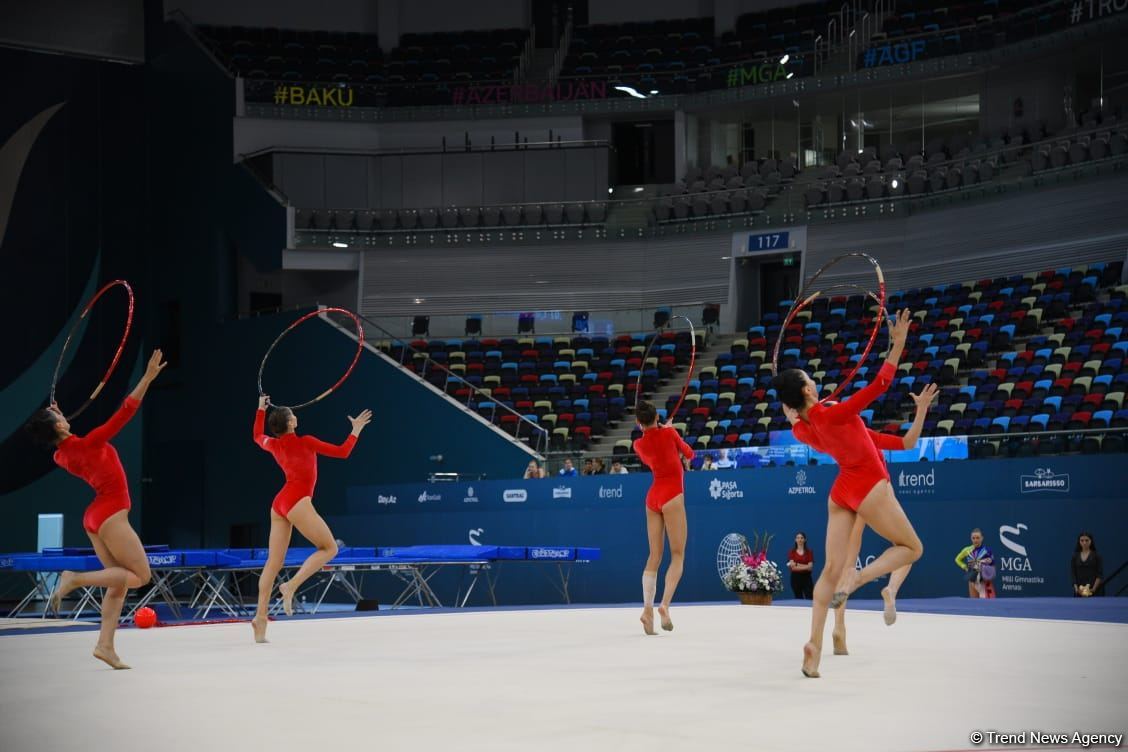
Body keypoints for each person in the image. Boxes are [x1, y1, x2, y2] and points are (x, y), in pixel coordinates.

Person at [776, 309, 924, 678]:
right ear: (808, 390)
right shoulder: (830, 414)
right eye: (810, 380)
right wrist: (898, 344)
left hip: (842, 490)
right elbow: (878, 386)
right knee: (912, 549)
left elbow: (901, 442)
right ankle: (859, 579)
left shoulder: (805, 430)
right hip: (869, 484)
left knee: (828, 570)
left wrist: (794, 408)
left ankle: (814, 643)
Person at [26, 350, 168, 669]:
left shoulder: (60, 456)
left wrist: (57, 421)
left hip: (95, 517)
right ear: (60, 428)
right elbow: (126, 411)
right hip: (111, 511)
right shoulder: (89, 443)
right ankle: (75, 578)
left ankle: (105, 645)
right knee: (140, 576)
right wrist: (146, 377)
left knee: (117, 582)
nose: (63, 417)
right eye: (60, 419)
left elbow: (63, 439)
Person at [251, 395, 372, 643]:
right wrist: (356, 430)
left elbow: (256, 436)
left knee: (273, 563)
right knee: (329, 548)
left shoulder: (273, 444)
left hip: (279, 503)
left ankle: (260, 618)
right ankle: (291, 585)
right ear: (291, 424)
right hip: (297, 499)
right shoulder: (306, 442)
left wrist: (260, 410)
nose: (295, 416)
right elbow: (343, 452)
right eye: (292, 415)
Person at [831, 382, 939, 655]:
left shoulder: (845, 436)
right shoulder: (862, 434)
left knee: (847, 562)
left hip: (850, 494)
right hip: (873, 493)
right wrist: (921, 410)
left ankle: (839, 628)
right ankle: (888, 588)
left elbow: (908, 442)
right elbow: (910, 443)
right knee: (909, 549)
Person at [632, 400, 693, 635]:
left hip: (653, 497)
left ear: (639, 423)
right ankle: (664, 605)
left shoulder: (638, 444)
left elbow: (652, 455)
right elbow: (690, 454)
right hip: (672, 494)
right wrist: (670, 433)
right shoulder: (670, 433)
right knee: (677, 555)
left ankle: (647, 610)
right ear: (657, 416)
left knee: (654, 556)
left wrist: (661, 431)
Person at [955, 528, 995, 598]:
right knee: (974, 606)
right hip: (972, 582)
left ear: (982, 538)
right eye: (973, 538)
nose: (975, 540)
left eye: (977, 538)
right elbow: (957, 559)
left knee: (988, 607)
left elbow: (993, 567)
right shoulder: (967, 550)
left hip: (985, 583)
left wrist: (988, 575)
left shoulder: (987, 551)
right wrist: (964, 567)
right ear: (971, 538)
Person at [1071, 532, 1103, 597]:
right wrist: (1077, 589)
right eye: (1082, 540)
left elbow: (1099, 574)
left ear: (1091, 541)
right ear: (1079, 542)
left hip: (1094, 592)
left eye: (1087, 540)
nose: (1084, 543)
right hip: (1079, 592)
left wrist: (1093, 589)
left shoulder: (1096, 556)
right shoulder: (1075, 556)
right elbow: (1073, 574)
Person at [787, 532, 815, 599]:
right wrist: (806, 566)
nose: (800, 540)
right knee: (798, 598)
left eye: (802, 538)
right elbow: (793, 568)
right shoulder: (791, 552)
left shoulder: (809, 552)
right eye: (798, 538)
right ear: (795, 540)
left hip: (807, 578)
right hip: (795, 578)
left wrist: (797, 564)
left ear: (805, 540)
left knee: (810, 598)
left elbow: (810, 568)